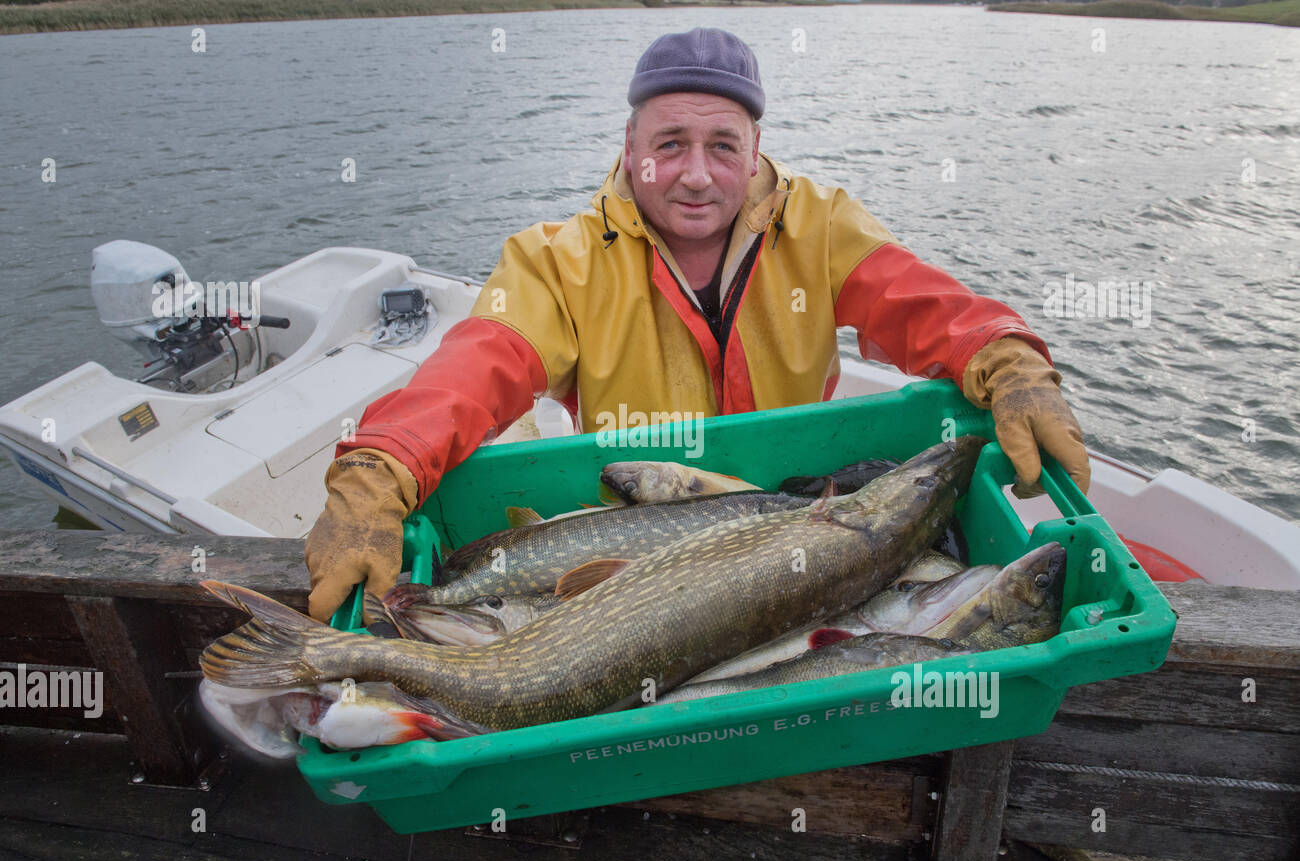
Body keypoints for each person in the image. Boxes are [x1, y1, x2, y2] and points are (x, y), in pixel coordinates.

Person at [304, 28, 1090, 622]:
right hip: (626, 533)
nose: (694, 174)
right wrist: (380, 465)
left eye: (722, 146)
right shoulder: (560, 261)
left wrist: (1010, 359)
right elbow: (477, 367)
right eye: (669, 144)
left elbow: (921, 305)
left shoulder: (820, 227)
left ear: (756, 153)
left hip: (789, 518)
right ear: (630, 148)